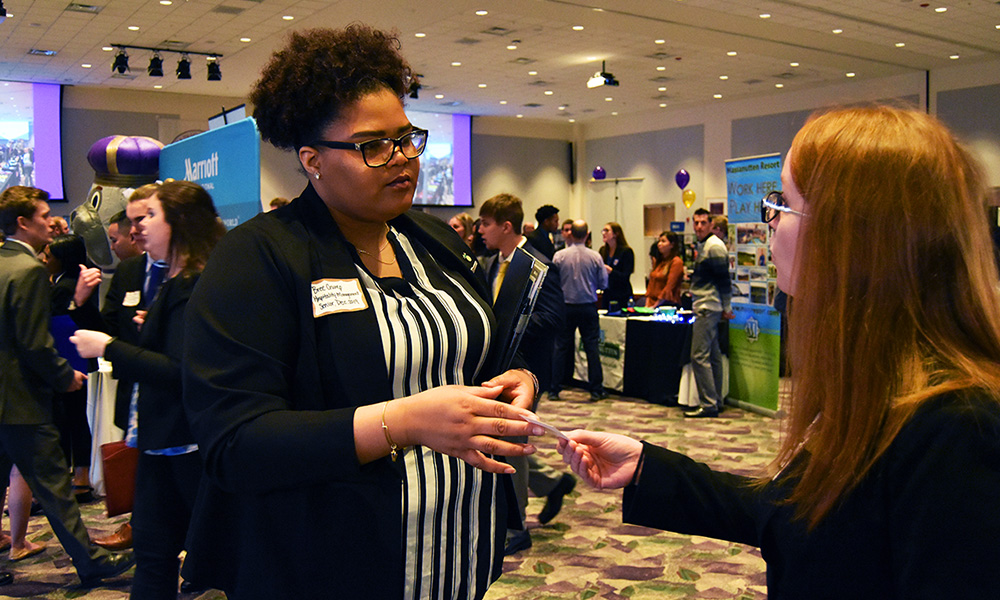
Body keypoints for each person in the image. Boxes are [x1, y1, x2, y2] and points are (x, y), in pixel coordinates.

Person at [557, 105, 1000, 598]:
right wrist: (647, 467)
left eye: (783, 203)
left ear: (851, 235)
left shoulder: (958, 427)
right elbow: (794, 514)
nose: (768, 222)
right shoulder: (880, 383)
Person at [178, 25, 545, 599]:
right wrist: (401, 422)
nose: (403, 159)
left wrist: (519, 376)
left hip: (453, 544)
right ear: (312, 160)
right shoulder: (258, 257)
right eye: (374, 146)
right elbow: (235, 444)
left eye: (407, 138)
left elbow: (484, 344)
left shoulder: (431, 238)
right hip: (330, 559)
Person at [72, 180, 226, 599]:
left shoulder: (194, 284)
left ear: (178, 224)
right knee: (154, 555)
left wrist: (108, 347)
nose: (140, 227)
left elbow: (180, 371)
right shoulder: (175, 280)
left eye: (150, 216)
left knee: (221, 560)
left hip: (189, 444)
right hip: (160, 440)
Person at [0, 186, 135, 588]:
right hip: (21, 402)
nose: (51, 221)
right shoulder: (26, 271)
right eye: (43, 215)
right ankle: (91, 562)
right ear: (23, 222)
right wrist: (65, 376)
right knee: (56, 488)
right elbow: (33, 343)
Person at [476, 193, 574, 554]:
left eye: (485, 224)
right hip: (498, 369)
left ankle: (516, 527)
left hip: (528, 372)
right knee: (505, 439)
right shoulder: (489, 264)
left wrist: (508, 326)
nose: (480, 231)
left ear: (505, 226)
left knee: (511, 446)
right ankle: (551, 484)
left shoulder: (538, 265)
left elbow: (554, 318)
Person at [43, 234, 101, 504]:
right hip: (71, 361)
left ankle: (81, 480)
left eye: (49, 255)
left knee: (74, 420)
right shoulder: (60, 282)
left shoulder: (66, 286)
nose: (45, 259)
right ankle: (77, 478)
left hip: (72, 362)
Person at [552, 219, 608, 401]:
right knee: (592, 347)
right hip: (588, 306)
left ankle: (554, 388)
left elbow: (553, 283)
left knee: (561, 347)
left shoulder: (559, 256)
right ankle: (596, 389)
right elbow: (603, 283)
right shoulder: (595, 257)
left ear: (570, 234)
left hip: (565, 306)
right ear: (587, 235)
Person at [685, 208, 733, 418]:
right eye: (696, 223)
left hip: (708, 307)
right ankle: (716, 401)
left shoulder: (714, 246)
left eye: (703, 223)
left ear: (711, 225)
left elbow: (724, 281)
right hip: (706, 305)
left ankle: (709, 403)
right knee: (712, 356)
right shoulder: (705, 245)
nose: (698, 226)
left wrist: (727, 307)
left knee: (699, 356)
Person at [597, 222, 634, 310]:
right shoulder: (603, 251)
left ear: (615, 234)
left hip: (622, 293)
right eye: (603, 230)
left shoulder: (626, 251)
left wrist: (611, 271)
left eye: (607, 230)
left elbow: (626, 275)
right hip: (607, 293)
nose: (603, 233)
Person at [645, 231, 684, 307]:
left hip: (667, 304)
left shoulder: (676, 262)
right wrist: (647, 304)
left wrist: (656, 305)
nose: (659, 244)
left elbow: (669, 287)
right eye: (659, 241)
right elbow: (651, 285)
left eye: (663, 241)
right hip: (652, 302)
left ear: (672, 245)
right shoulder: (659, 262)